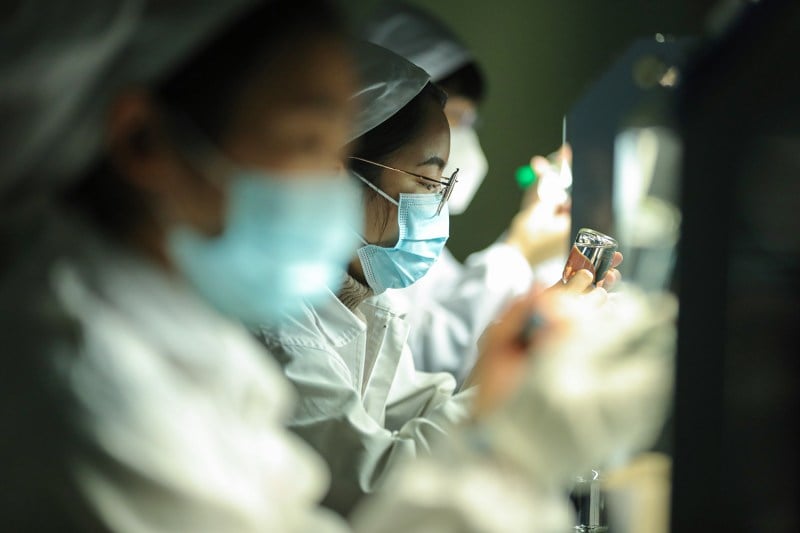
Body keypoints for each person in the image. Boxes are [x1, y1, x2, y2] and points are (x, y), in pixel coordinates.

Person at [0, 1, 361, 530]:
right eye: (306, 140)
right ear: (141, 139)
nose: (334, 184)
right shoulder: (93, 396)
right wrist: (501, 458)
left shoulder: (179, 318)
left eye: (341, 150)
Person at [255, 40, 622, 517]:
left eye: (443, 185)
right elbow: (375, 485)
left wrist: (510, 347)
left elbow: (424, 408)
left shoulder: (364, 301)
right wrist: (515, 360)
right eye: (427, 183)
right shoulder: (281, 326)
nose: (438, 206)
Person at [362, 2, 577, 385]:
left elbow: (455, 311)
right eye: (454, 117)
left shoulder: (402, 241)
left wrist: (532, 252)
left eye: (467, 120)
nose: (461, 137)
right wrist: (520, 251)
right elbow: (433, 355)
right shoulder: (366, 250)